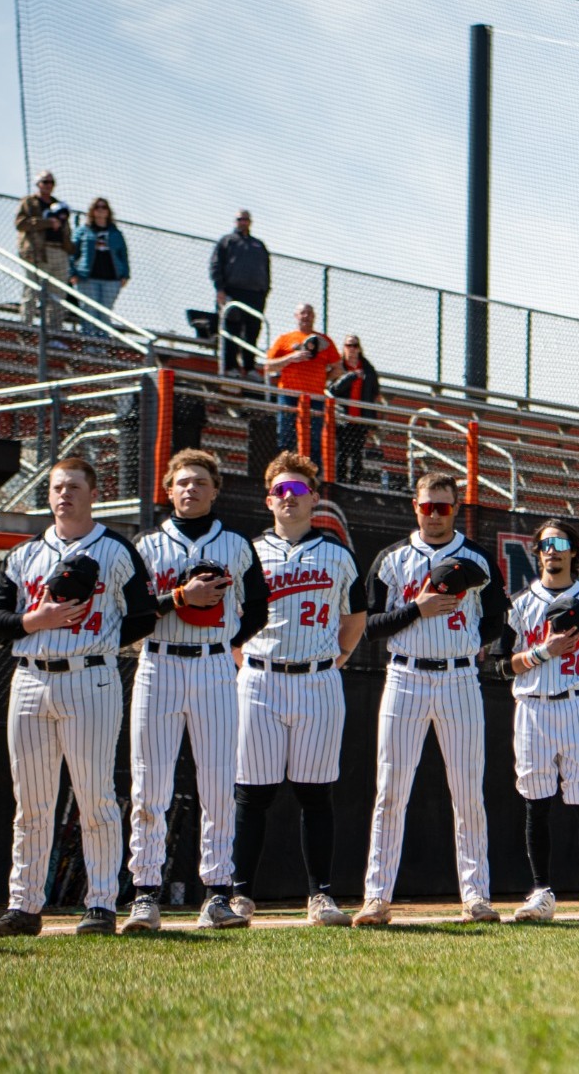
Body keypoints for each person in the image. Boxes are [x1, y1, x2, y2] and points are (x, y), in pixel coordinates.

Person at [0, 457, 157, 938]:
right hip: (31, 678)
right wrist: (32, 622)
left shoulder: (116, 550)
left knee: (94, 796)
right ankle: (23, 906)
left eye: (74, 487)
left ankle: (100, 904)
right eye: (57, 487)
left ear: (93, 493)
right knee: (32, 802)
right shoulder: (25, 555)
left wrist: (102, 638)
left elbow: (144, 614)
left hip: (90, 677)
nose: (64, 495)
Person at [124, 449, 270, 932]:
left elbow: (257, 611)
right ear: (168, 490)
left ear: (214, 490)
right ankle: (145, 893)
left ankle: (218, 893)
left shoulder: (236, 545)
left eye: (200, 482)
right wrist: (179, 598)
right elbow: (130, 616)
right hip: (159, 663)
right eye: (182, 482)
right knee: (149, 784)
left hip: (212, 666)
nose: (191, 489)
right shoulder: (146, 546)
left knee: (218, 784)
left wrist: (226, 642)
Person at [354, 473, 506, 925]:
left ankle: (476, 895)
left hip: (459, 677)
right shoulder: (392, 558)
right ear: (414, 507)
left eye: (443, 506)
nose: (434, 514)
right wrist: (418, 609)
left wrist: (468, 640)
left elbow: (498, 618)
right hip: (405, 676)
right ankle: (376, 897)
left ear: (455, 507)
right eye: (427, 506)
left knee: (467, 793)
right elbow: (370, 625)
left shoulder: (475, 556)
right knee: (391, 792)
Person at [228, 453, 366, 927]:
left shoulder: (337, 553)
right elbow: (230, 619)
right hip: (260, 678)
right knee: (251, 793)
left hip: (318, 680)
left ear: (315, 499)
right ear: (269, 500)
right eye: (281, 491)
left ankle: (321, 895)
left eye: (299, 491)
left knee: (316, 793)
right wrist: (243, 661)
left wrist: (338, 659)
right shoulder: (247, 552)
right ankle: (240, 893)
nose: (290, 498)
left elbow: (355, 616)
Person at [499, 519, 579, 922]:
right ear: (537, 552)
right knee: (536, 802)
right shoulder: (518, 604)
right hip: (532, 706)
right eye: (546, 543)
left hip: (576, 704)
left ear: (573, 552)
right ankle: (541, 891)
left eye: (560, 543)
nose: (552, 550)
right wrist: (542, 653)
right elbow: (502, 665)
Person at [262, 304, 342, 469]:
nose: (306, 316)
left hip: (315, 397)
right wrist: (291, 357)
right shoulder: (285, 338)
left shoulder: (324, 341)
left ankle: (311, 474)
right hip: (289, 394)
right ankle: (281, 471)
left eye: (310, 313)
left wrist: (323, 379)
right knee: (286, 437)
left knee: (314, 438)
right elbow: (268, 366)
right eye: (303, 313)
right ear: (296, 316)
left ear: (314, 317)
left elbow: (338, 368)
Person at [211, 210, 271, 376]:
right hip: (233, 291)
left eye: (246, 219)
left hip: (255, 294)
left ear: (250, 221)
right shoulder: (227, 241)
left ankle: (249, 367)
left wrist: (264, 291)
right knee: (232, 329)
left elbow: (267, 270)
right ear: (235, 221)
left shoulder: (258, 245)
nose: (243, 222)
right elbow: (216, 266)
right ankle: (230, 366)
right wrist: (220, 289)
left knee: (253, 331)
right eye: (240, 219)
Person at [14, 170, 73, 333]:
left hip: (59, 251)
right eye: (45, 182)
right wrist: (47, 223)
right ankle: (25, 328)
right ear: (38, 184)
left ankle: (53, 332)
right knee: (32, 291)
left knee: (57, 294)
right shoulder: (29, 202)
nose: (48, 185)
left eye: (51, 182)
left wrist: (69, 247)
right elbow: (21, 224)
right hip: (37, 252)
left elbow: (66, 230)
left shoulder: (59, 205)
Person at [69, 197, 130, 336]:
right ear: (92, 211)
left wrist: (125, 274)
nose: (101, 210)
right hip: (87, 278)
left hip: (111, 278)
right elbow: (72, 253)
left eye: (104, 207)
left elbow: (123, 254)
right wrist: (72, 272)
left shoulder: (116, 233)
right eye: (98, 207)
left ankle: (103, 347)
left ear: (108, 211)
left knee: (105, 313)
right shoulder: (83, 231)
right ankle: (89, 345)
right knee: (89, 312)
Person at [328, 335, 381, 484]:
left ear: (359, 348)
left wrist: (371, 419)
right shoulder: (339, 366)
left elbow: (374, 392)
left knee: (357, 453)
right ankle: (340, 482)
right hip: (343, 418)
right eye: (348, 345)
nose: (352, 349)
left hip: (360, 418)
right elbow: (332, 389)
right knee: (343, 452)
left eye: (355, 345)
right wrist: (351, 376)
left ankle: (355, 483)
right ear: (343, 348)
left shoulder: (368, 369)